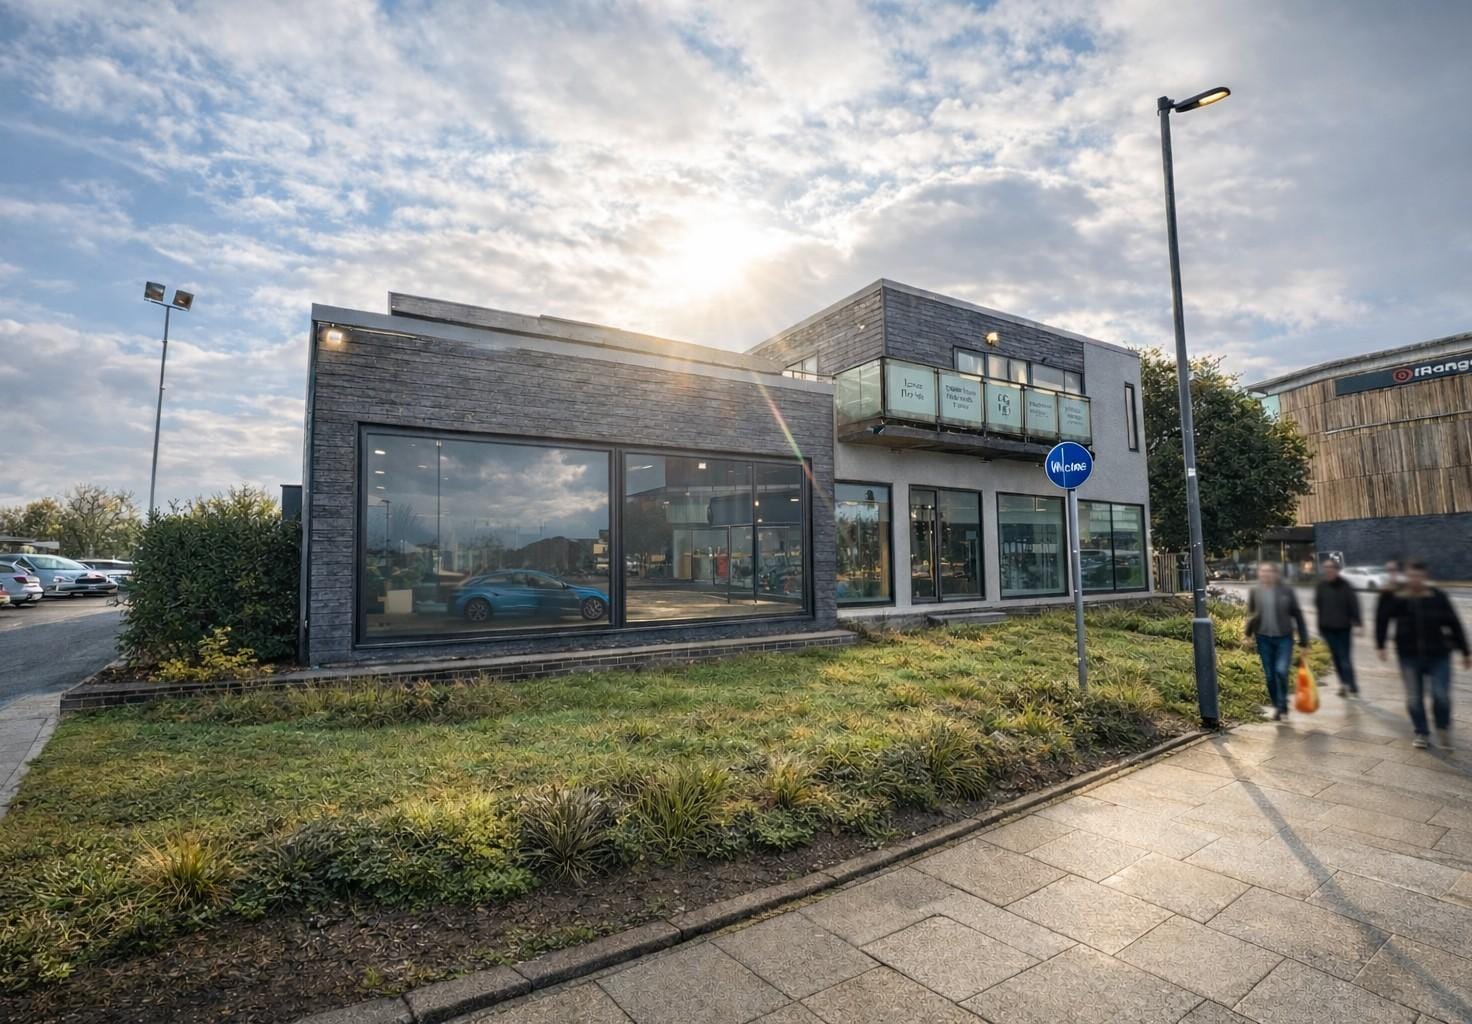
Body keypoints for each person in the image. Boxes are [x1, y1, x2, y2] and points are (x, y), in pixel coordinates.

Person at [1376, 559, 1470, 750]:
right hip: (1409, 656)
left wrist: (1465, 651)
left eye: (1418, 576)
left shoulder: (1438, 596)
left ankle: (1443, 727)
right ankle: (1421, 731)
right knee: (1414, 698)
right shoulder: (1399, 598)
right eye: (1411, 576)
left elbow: (1454, 623)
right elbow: (1383, 618)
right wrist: (1381, 644)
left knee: (1440, 695)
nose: (1415, 580)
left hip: (1439, 655)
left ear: (1425, 576)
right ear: (1407, 576)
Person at [1246, 562, 1311, 720]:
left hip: (1284, 638)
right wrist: (1248, 634)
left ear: (1275, 574)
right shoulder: (1255, 591)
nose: (1265, 575)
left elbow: (1298, 615)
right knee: (1269, 675)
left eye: (1268, 572)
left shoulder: (1286, 591)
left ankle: (1282, 704)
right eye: (1262, 572)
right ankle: (1278, 705)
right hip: (1263, 638)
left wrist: (1304, 641)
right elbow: (1251, 614)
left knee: (1281, 671)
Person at [1315, 558, 1362, 697]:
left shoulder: (1345, 586)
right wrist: (1320, 626)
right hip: (1327, 628)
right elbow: (1319, 606)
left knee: (1344, 657)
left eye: (1331, 568)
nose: (1328, 571)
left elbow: (1353, 604)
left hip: (1343, 628)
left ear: (1336, 570)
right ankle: (1344, 684)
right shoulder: (1321, 586)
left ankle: (1350, 684)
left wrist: (1358, 623)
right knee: (1336, 657)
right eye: (1326, 568)